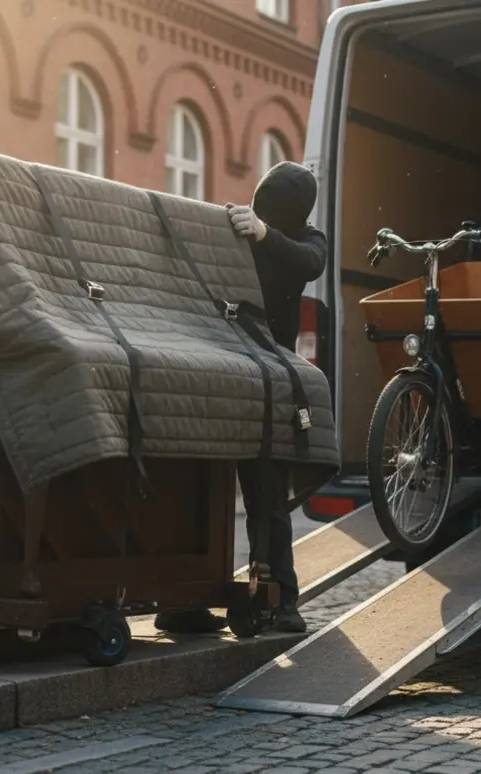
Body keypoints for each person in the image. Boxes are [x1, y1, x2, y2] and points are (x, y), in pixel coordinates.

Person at [154, 161, 328, 635]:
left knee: (267, 496)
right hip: (225, 370)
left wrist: (264, 234)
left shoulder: (304, 241)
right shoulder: (244, 230)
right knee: (202, 490)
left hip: (266, 381)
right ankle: (184, 599)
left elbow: (309, 262)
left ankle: (280, 601)